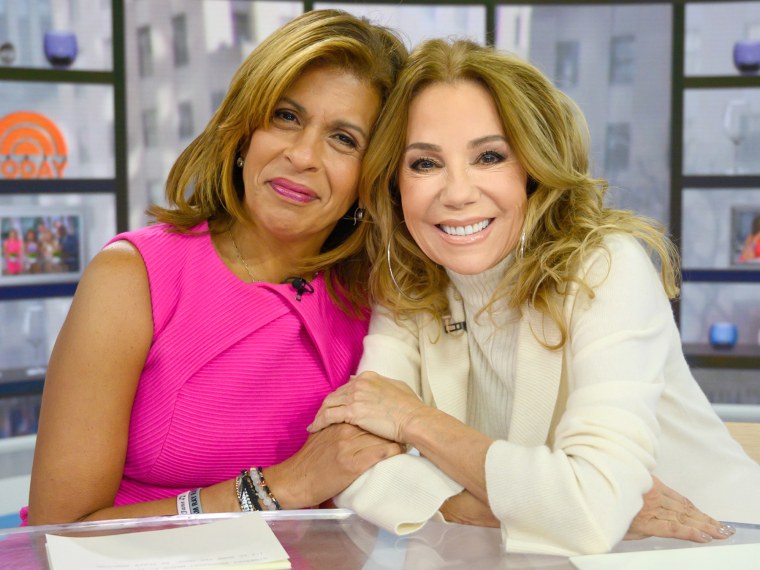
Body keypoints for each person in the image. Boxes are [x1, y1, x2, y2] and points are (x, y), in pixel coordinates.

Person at [308, 39, 760, 555]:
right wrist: (516, 507)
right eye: (425, 164)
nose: (457, 193)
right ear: (395, 183)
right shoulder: (410, 285)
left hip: (721, 546)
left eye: (489, 157)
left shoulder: (604, 267)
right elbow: (353, 465)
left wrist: (414, 419)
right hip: (548, 557)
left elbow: (589, 510)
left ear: (532, 169)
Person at [26, 9, 407, 525]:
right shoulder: (131, 278)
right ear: (244, 131)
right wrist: (278, 488)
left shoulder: (382, 304)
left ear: (373, 175)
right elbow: (59, 531)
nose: (302, 156)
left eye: (344, 139)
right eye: (286, 116)